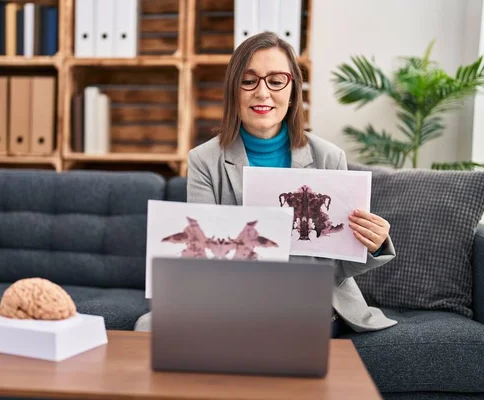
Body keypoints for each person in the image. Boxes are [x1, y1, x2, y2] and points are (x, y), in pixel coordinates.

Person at [134, 31, 397, 336]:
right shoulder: (204, 160)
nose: (262, 93)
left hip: (307, 299)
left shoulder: (328, 156)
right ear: (235, 90)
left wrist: (373, 245)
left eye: (276, 80)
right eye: (249, 80)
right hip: (232, 298)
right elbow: (204, 260)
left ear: (293, 90)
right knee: (147, 327)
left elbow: (335, 267)